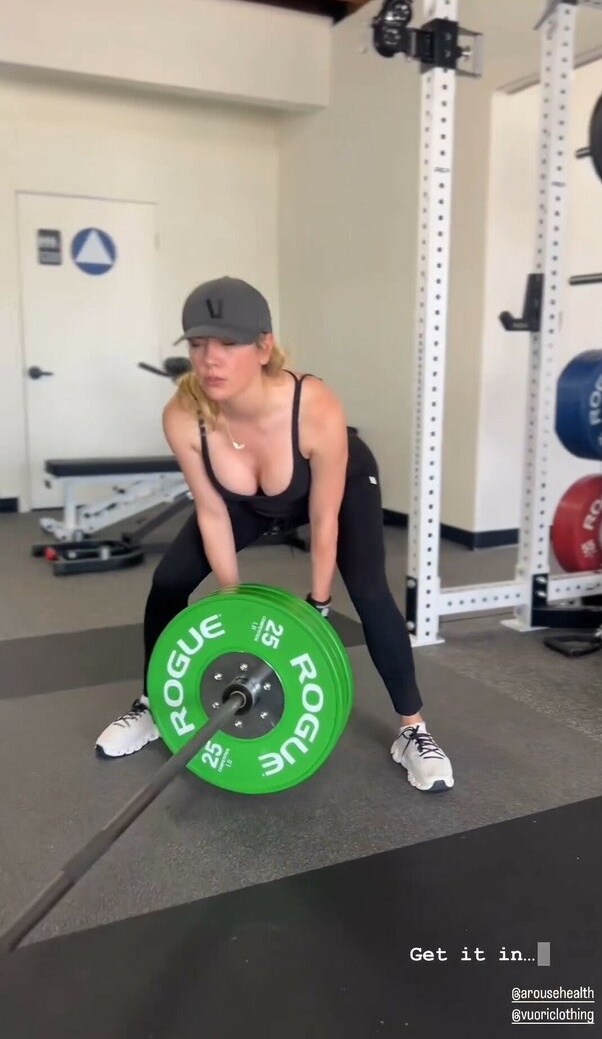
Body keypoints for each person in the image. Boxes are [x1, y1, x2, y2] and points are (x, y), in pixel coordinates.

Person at [95, 276, 454, 794]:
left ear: (263, 347)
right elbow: (212, 513)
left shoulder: (313, 404)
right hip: (247, 502)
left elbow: (324, 519)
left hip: (338, 486)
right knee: (168, 581)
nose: (210, 359)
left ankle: (413, 730)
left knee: (371, 594)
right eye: (198, 344)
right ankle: (152, 705)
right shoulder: (183, 416)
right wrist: (232, 604)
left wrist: (319, 603)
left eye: (228, 343)